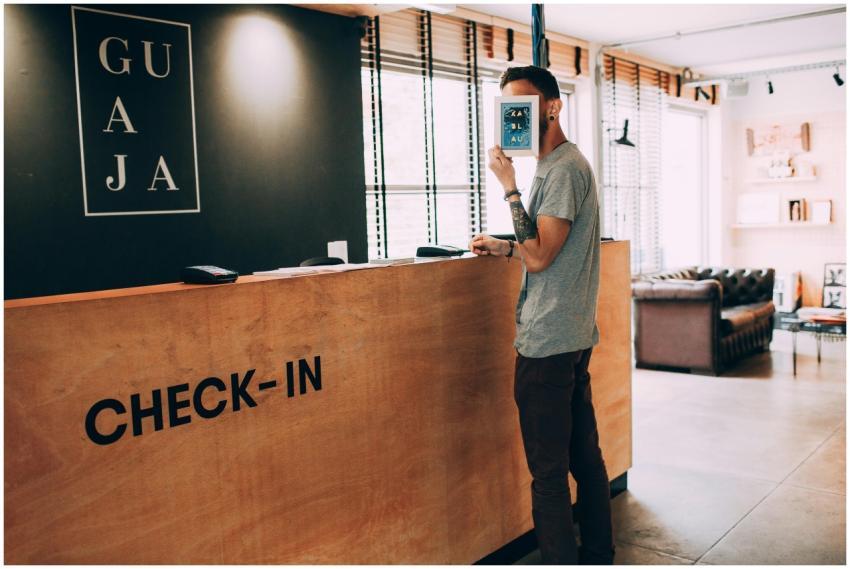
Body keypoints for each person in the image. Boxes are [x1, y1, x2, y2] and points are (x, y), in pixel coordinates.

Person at [469, 65, 614, 565]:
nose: (516, 118)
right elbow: (543, 249)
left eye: (524, 107)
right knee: (584, 460)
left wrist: (508, 186)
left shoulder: (563, 169)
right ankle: (598, 553)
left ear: (552, 107)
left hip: (547, 343)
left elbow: (542, 257)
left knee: (549, 474)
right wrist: (504, 247)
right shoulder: (559, 167)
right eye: (510, 109)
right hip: (568, 336)